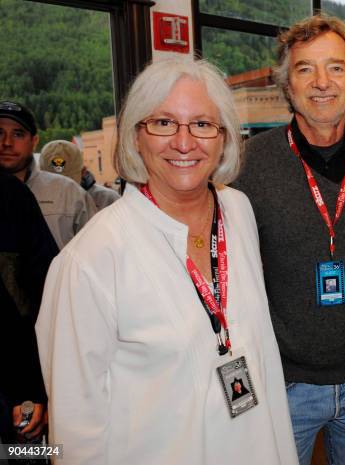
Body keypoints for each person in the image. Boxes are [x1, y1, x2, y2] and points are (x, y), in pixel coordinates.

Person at [35, 57, 299, 465]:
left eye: (202, 124)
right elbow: (75, 432)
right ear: (135, 136)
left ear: (224, 137)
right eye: (163, 123)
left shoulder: (238, 210)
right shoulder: (89, 261)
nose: (183, 141)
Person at [234, 14, 345, 465]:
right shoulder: (247, 166)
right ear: (287, 85)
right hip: (284, 383)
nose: (322, 82)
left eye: (336, 67)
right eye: (305, 69)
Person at [0, 173, 58, 454]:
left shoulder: (11, 195)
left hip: (15, 391)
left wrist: (36, 390)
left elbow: (46, 294)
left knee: (33, 452)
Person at [0, 101, 97, 249]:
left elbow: (96, 254)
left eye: (18, 134)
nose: (7, 142)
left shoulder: (68, 193)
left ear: (34, 141)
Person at [39, 139, 120, 210]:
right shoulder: (32, 201)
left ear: (83, 171)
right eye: (53, 182)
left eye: (67, 182)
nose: (61, 189)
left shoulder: (107, 201)